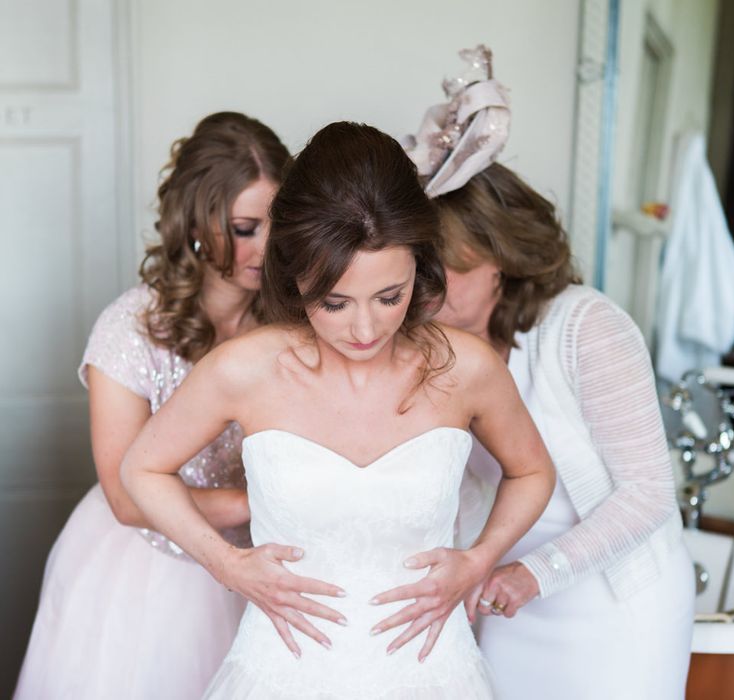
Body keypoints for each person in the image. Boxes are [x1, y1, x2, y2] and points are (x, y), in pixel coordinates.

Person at [120, 121, 556, 699]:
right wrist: (226, 564)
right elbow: (140, 469)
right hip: (281, 672)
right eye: (335, 301)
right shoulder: (243, 369)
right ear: (295, 274)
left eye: (390, 297)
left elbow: (533, 471)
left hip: (431, 672)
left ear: (419, 269)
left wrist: (480, 559)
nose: (365, 328)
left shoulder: (466, 368)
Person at [404, 46, 695, 700]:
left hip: (618, 609)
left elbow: (648, 493)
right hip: (512, 604)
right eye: (417, 270)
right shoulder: (430, 349)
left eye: (448, 271)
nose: (426, 292)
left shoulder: (584, 327)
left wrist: (535, 573)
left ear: (501, 259)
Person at [14, 112, 292, 700]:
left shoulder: (292, 320)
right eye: (244, 228)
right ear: (196, 220)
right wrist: (259, 501)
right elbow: (125, 495)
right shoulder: (132, 328)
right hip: (150, 569)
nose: (265, 247)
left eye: (277, 224)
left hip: (267, 560)